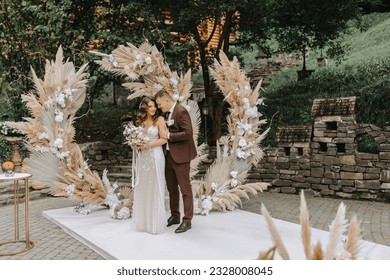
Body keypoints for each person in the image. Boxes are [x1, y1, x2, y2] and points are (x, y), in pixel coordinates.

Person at [155, 90, 197, 234]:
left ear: (167, 100)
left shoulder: (181, 111)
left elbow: (188, 133)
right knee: (172, 188)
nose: (159, 107)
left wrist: (169, 135)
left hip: (181, 156)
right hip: (167, 155)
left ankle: (187, 220)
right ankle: (175, 216)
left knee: (185, 189)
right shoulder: (165, 114)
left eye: (160, 104)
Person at [132, 97, 168, 234]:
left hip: (155, 156)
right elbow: (136, 138)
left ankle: (154, 224)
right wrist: (135, 143)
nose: (153, 109)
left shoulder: (159, 120)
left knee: (155, 186)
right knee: (143, 187)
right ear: (144, 108)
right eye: (150, 106)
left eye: (154, 106)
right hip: (143, 159)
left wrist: (147, 145)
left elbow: (163, 139)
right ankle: (143, 223)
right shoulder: (140, 121)